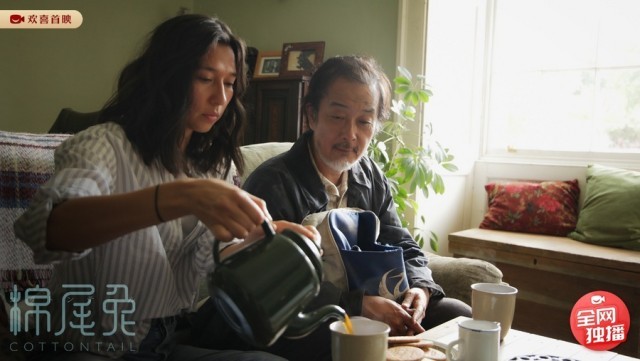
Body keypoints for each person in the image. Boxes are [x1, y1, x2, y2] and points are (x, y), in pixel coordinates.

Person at [13, 14, 317, 361]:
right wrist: (176, 197)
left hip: (162, 345)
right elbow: (49, 231)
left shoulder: (215, 164)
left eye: (230, 83)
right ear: (167, 77)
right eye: (205, 79)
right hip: (83, 345)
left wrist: (262, 235)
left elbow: (211, 259)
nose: (220, 98)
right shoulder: (103, 146)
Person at [242, 55, 472, 360]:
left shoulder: (370, 176)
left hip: (374, 308)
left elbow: (402, 243)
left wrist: (420, 287)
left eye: (364, 121)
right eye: (338, 117)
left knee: (458, 316)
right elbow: (269, 283)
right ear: (311, 116)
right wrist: (355, 305)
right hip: (304, 318)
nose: (351, 134)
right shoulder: (273, 183)